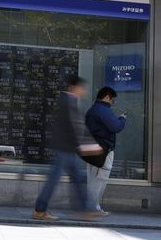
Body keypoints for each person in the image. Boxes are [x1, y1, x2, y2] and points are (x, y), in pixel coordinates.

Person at [33, 75, 93, 221]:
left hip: (68, 149)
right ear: (74, 87)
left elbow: (77, 126)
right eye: (82, 88)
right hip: (63, 149)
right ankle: (40, 210)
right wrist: (88, 144)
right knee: (54, 180)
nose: (84, 91)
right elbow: (76, 126)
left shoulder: (71, 101)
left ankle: (85, 209)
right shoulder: (67, 101)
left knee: (77, 180)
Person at [85, 86, 126, 216]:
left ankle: (91, 206)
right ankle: (92, 207)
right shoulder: (103, 110)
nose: (113, 103)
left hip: (93, 149)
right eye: (113, 100)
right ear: (107, 96)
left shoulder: (93, 109)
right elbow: (116, 127)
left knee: (93, 178)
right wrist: (122, 119)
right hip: (103, 150)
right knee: (99, 179)